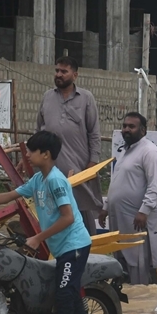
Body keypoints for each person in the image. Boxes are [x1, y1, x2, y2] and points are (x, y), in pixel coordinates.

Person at [0, 131, 93, 314]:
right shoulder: (38, 180)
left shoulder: (55, 180)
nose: (27, 155)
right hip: (62, 248)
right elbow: (7, 196)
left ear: (46, 154)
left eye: (32, 151)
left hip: (74, 246)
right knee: (70, 292)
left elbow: (67, 217)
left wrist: (37, 238)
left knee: (64, 295)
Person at [37, 56, 102, 234]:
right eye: (57, 71)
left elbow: (94, 133)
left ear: (75, 75)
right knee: (52, 212)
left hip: (78, 169)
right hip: (51, 170)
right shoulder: (47, 97)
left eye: (64, 71)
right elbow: (39, 133)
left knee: (81, 213)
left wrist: (92, 164)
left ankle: (88, 256)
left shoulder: (86, 98)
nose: (59, 74)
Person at [99, 112, 157, 284]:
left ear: (143, 130)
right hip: (120, 218)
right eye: (124, 126)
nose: (126, 130)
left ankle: (142, 298)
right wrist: (106, 207)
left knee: (138, 260)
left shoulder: (149, 152)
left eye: (132, 126)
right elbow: (116, 182)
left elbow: (155, 185)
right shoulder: (126, 151)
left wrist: (143, 211)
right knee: (122, 258)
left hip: (137, 219)